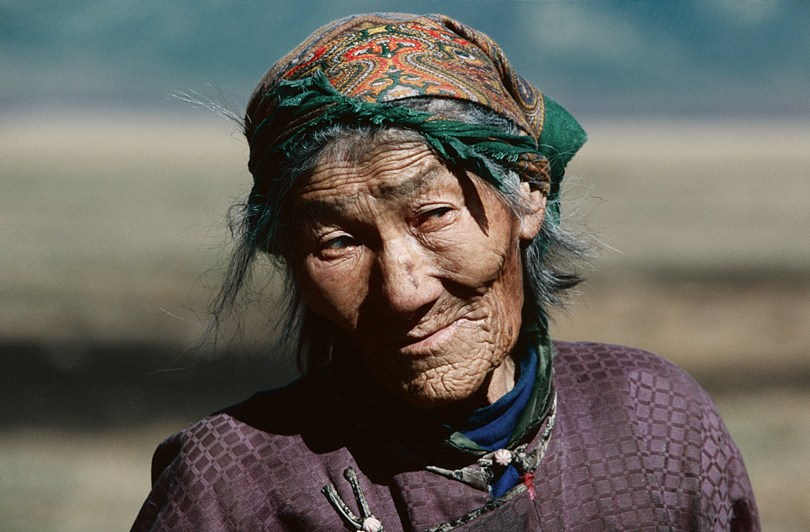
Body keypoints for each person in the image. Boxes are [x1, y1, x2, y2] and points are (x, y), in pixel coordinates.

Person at [133, 13, 758, 531]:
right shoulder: (230, 484)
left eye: (432, 214)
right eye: (338, 241)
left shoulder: (656, 420)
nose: (404, 292)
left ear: (529, 194)